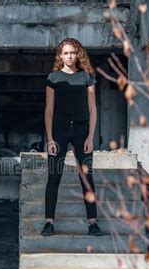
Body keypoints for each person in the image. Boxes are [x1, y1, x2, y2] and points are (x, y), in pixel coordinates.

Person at [41, 38, 102, 237]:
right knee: (54, 175)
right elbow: (49, 110)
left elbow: (93, 109)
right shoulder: (54, 78)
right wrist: (50, 138)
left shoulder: (87, 77)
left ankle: (93, 223)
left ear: (77, 54)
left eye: (72, 53)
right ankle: (49, 222)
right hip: (59, 130)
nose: (69, 56)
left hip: (82, 131)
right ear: (60, 56)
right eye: (65, 53)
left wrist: (90, 137)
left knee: (86, 176)